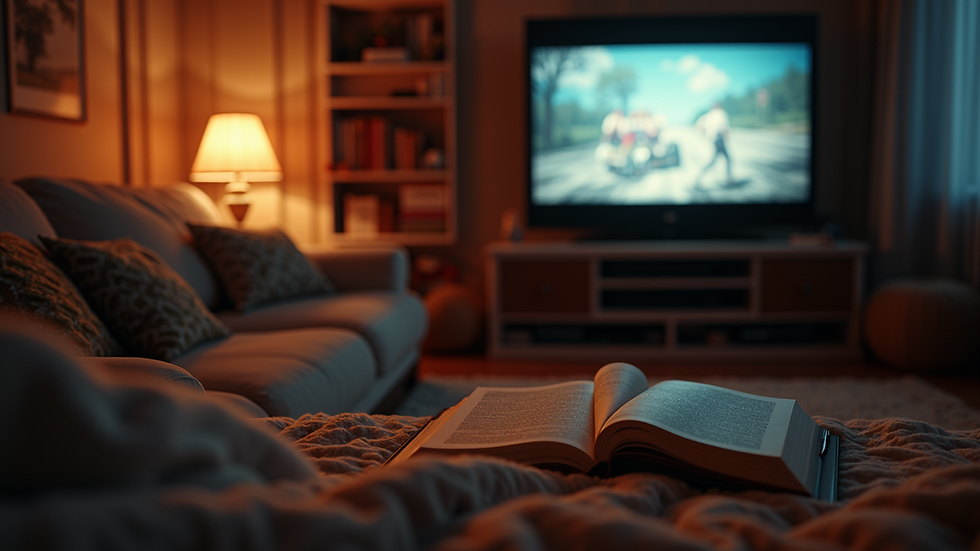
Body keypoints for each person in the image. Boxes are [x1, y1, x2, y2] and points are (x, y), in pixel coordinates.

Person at [695, 102, 733, 185]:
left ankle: (699, 178)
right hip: (719, 138)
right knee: (725, 159)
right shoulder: (721, 113)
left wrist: (705, 133)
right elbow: (724, 127)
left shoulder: (708, 115)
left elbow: (699, 125)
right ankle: (729, 178)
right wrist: (726, 137)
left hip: (713, 139)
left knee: (718, 159)